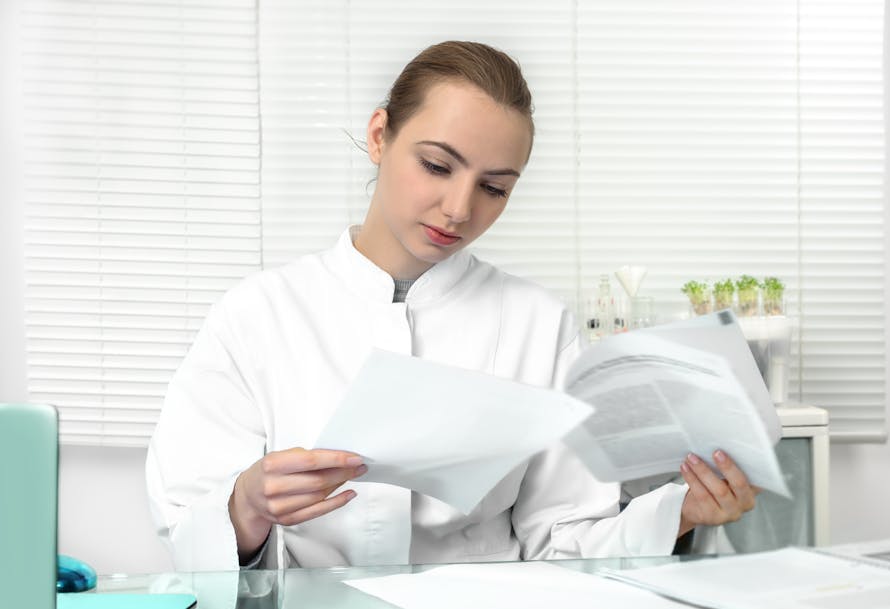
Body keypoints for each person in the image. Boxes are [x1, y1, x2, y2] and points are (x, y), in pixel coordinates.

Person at [146, 40, 759, 571]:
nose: (460, 208)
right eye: (437, 165)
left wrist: (679, 513)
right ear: (380, 135)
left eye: (495, 187)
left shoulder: (539, 324)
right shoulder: (257, 314)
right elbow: (186, 526)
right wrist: (246, 505)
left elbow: (565, 540)